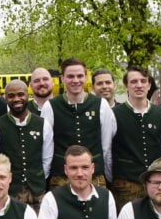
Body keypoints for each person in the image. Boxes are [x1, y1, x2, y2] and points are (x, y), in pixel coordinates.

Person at [41, 58, 115, 188]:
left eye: (80, 76)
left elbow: (106, 145)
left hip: (94, 176)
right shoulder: (50, 107)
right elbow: (46, 147)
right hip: (61, 178)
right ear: (62, 79)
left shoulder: (101, 105)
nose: (76, 80)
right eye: (70, 76)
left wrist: (108, 175)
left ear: (86, 77)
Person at [0, 79, 52, 212]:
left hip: (37, 191)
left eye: (20, 94)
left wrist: (37, 177)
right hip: (9, 192)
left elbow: (47, 159)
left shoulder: (43, 125)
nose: (16, 99)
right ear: (5, 98)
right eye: (11, 96)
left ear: (28, 95)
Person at [110, 65, 161, 211]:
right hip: (125, 183)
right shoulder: (114, 114)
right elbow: (107, 150)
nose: (139, 85)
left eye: (143, 81)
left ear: (149, 85)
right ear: (126, 86)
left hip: (154, 183)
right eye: (134, 81)